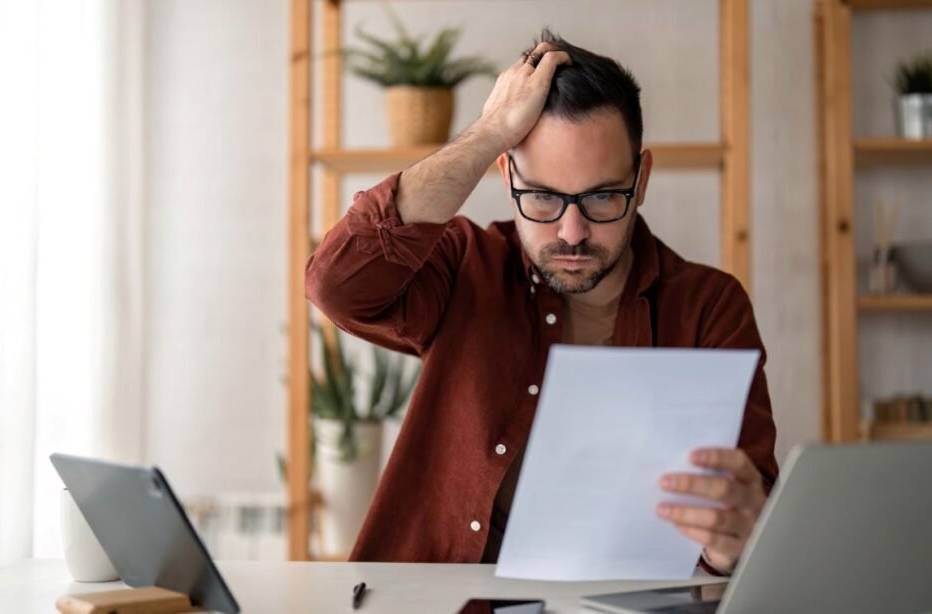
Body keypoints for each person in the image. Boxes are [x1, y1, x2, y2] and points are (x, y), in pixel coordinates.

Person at [305, 30, 778, 576]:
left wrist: (733, 543)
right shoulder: (466, 267)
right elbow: (337, 284)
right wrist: (488, 133)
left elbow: (746, 528)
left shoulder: (708, 307)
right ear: (507, 176)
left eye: (602, 196)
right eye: (544, 198)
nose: (572, 233)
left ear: (641, 180)